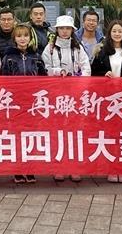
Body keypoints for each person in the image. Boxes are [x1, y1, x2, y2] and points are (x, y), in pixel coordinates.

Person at [90, 19, 122, 184]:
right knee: (109, 134)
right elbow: (93, 73)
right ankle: (111, 168)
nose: (117, 34)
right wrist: (103, 74)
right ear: (109, 33)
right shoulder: (101, 52)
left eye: (120, 31)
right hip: (107, 99)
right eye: (114, 31)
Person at [42, 14, 89, 182]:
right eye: (61, 28)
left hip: (75, 96)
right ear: (57, 30)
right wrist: (58, 72)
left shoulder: (78, 48)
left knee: (75, 132)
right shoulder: (50, 48)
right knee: (57, 131)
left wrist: (79, 82)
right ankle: (59, 167)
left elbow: (86, 68)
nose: (64, 31)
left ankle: (75, 167)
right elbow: (45, 68)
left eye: (67, 28)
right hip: (56, 96)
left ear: (72, 30)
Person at [0, 24, 45, 184]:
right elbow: (3, 80)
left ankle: (30, 168)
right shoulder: (8, 57)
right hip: (15, 103)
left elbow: (44, 78)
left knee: (32, 135)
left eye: (25, 35)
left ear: (30, 38)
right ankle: (18, 169)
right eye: (19, 36)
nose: (22, 39)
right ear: (14, 39)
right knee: (17, 136)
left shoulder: (36, 56)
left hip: (33, 103)